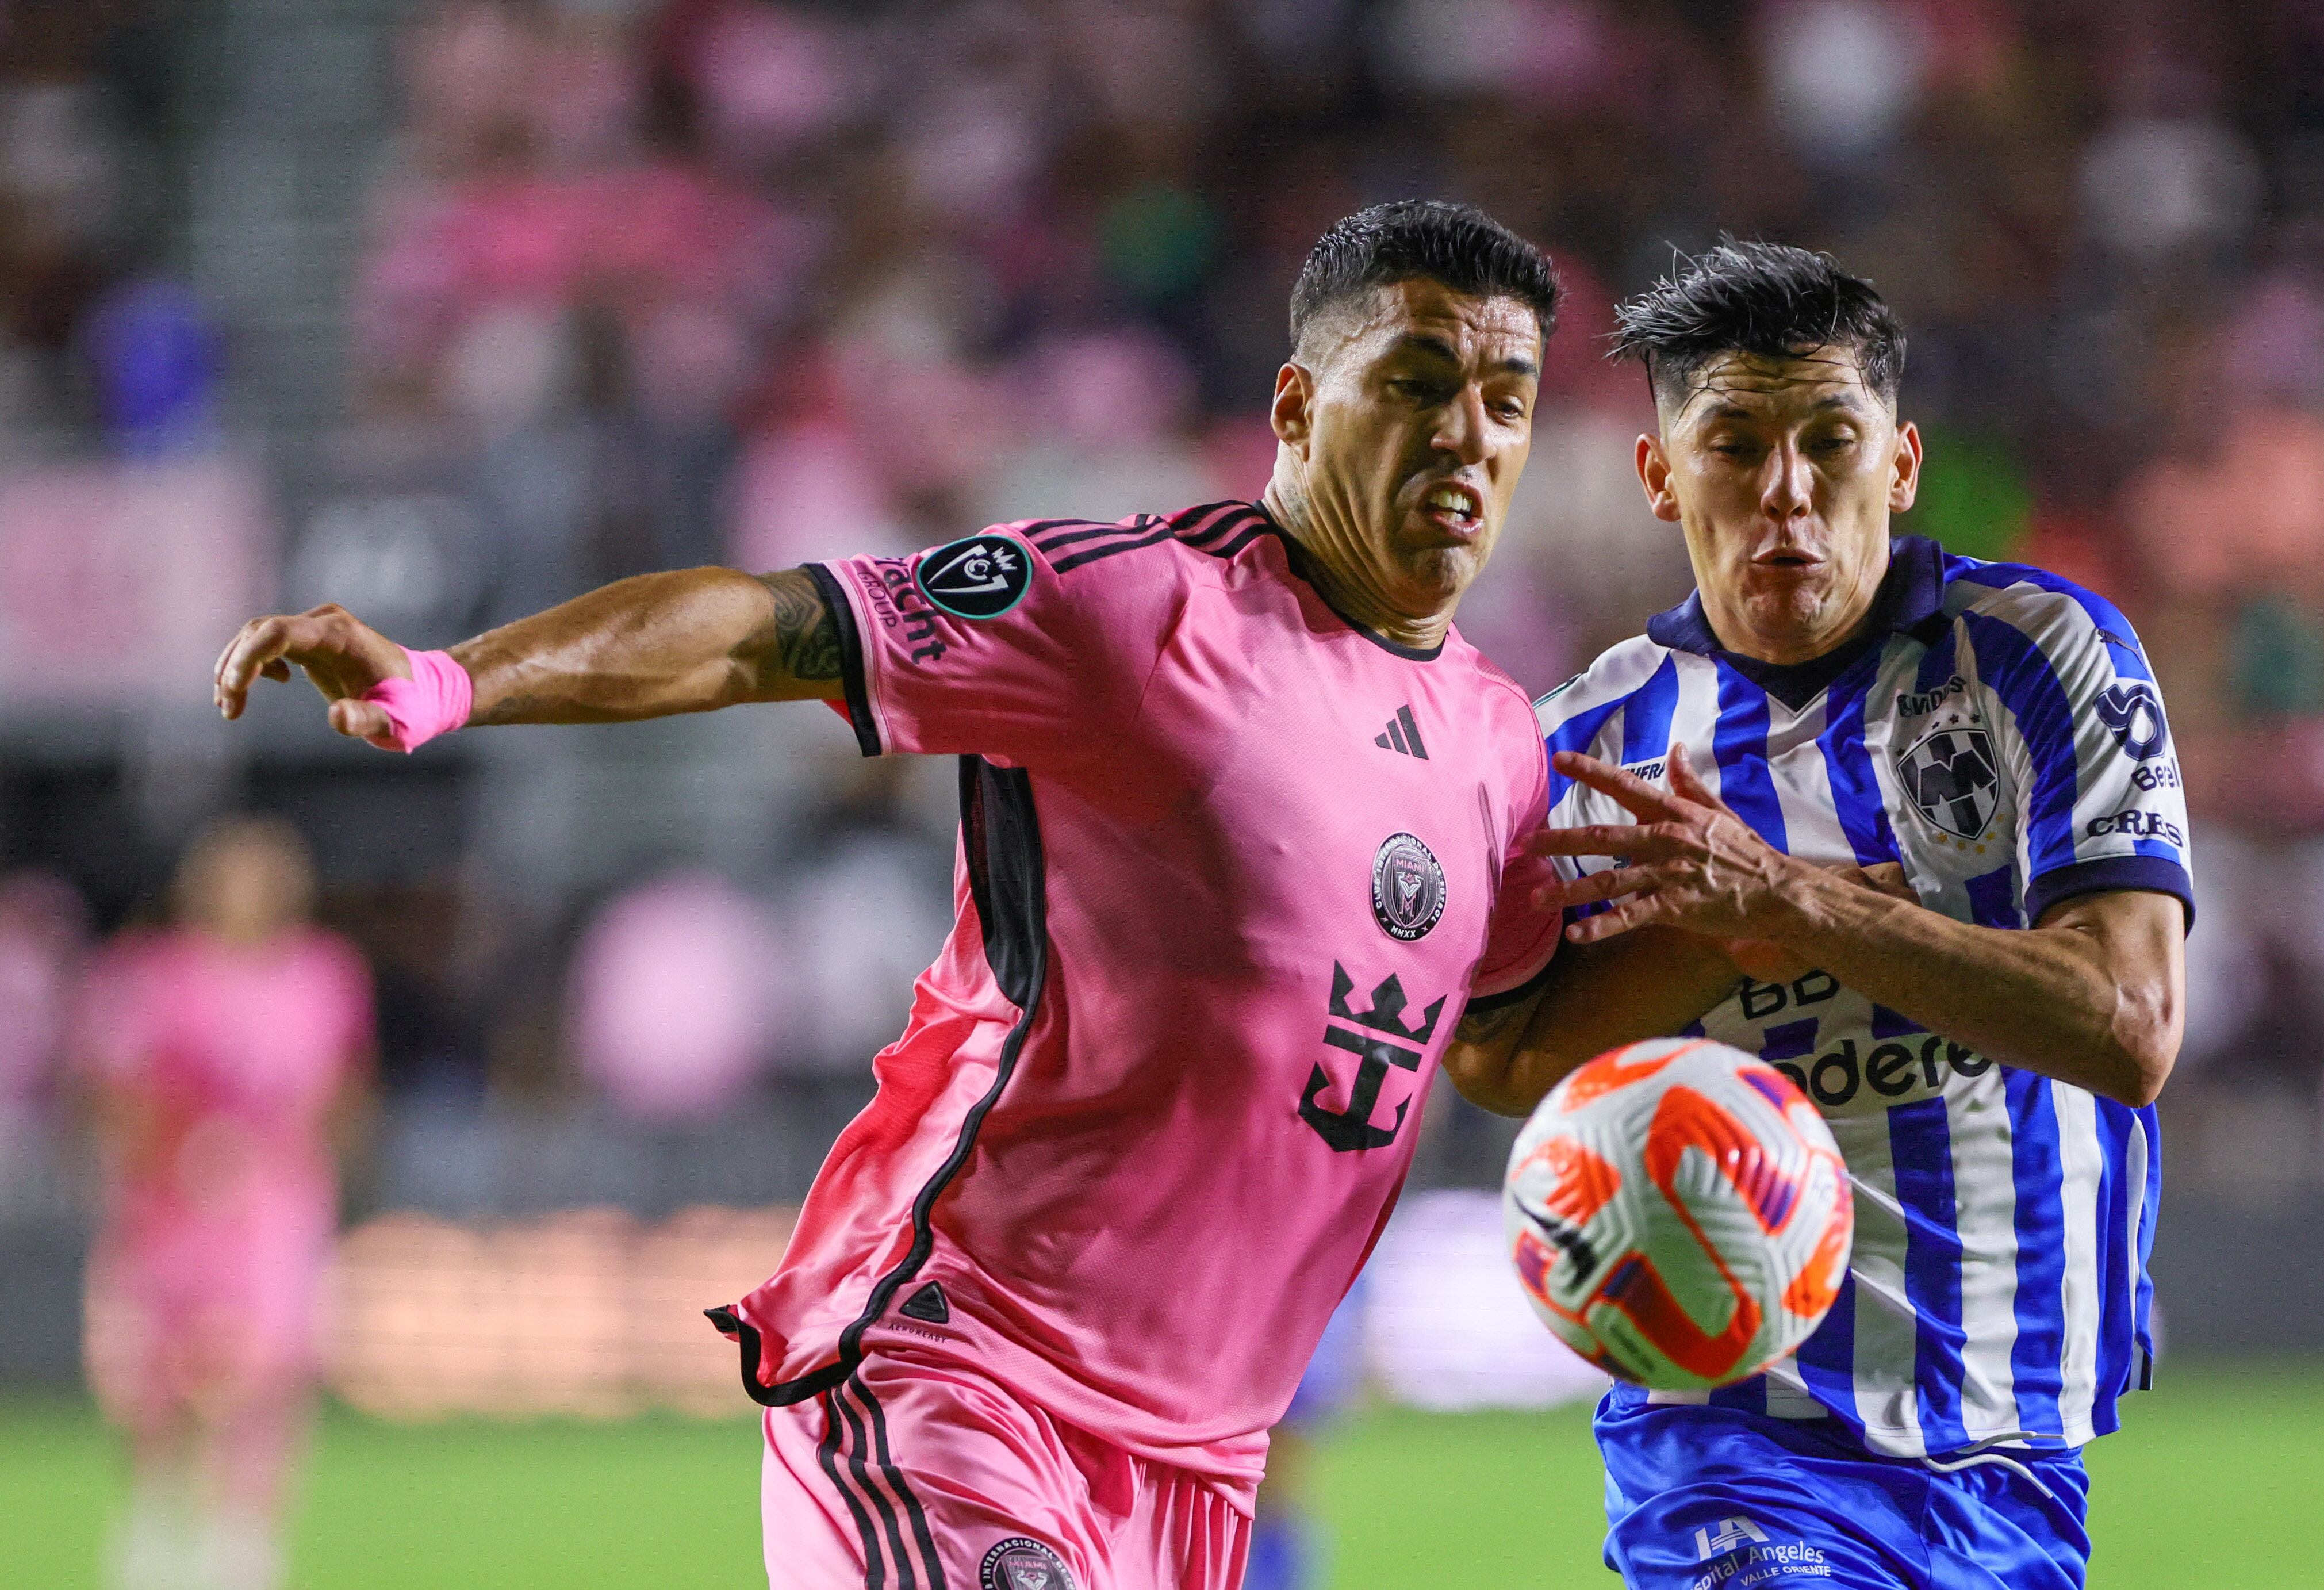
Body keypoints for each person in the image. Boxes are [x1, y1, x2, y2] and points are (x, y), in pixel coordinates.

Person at [213, 200, 1567, 1590]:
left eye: (1505, 401)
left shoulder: (1497, 745)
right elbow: (764, 629)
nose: (1466, 433)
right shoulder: (1137, 610)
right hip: (963, 1382)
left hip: (1203, 1477)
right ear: (1295, 404)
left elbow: (1511, 1043)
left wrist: (1774, 915)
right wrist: (449, 681)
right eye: (1413, 385)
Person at [1444, 241, 2190, 1590]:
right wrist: (1721, 939)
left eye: (1828, 442)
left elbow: (2127, 1026)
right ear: (1661, 475)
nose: (1785, 492)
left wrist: (1786, 899)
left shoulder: (2040, 658)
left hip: (2009, 1436)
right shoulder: (1582, 747)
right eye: (1732, 444)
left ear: (1897, 466)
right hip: (1723, 1423)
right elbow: (1494, 1059)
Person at [78, 819, 375, 1590]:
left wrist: (299, 1156)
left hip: (278, 1199)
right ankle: (154, 1515)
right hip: (173, 1197)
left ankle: (244, 1531)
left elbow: (344, 1088)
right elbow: (121, 1090)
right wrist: (174, 1157)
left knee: (272, 1363)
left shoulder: (322, 973)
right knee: (161, 1367)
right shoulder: (157, 973)